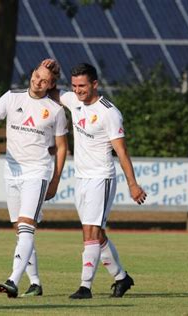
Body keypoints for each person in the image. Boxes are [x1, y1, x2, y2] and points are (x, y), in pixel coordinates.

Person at [45, 61, 146, 299]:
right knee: (95, 235)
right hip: (81, 178)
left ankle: (85, 287)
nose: (78, 90)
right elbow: (47, 91)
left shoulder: (109, 113)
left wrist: (132, 183)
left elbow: (121, 152)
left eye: (82, 86)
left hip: (101, 177)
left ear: (94, 84)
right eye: (74, 86)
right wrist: (50, 72)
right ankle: (122, 278)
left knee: (90, 231)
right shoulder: (73, 101)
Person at [0, 60, 68, 298]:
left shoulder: (56, 110)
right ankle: (35, 283)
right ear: (32, 73)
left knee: (27, 226)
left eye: (45, 80)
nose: (38, 82)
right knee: (20, 230)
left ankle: (13, 280)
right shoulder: (11, 97)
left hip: (37, 172)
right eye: (36, 76)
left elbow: (61, 147)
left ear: (52, 84)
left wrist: (55, 180)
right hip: (12, 172)